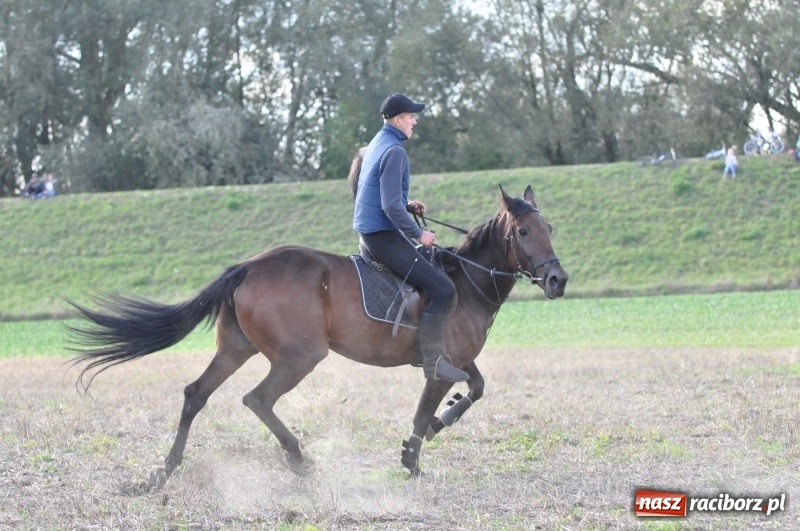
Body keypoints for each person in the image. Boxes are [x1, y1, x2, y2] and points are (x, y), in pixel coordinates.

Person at [352, 93, 467, 382]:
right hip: (382, 237)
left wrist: (406, 204)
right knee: (444, 289)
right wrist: (419, 233)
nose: (415, 121)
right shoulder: (395, 152)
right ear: (398, 119)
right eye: (412, 116)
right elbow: (389, 206)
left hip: (370, 232)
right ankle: (433, 361)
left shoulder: (379, 142)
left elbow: (383, 195)